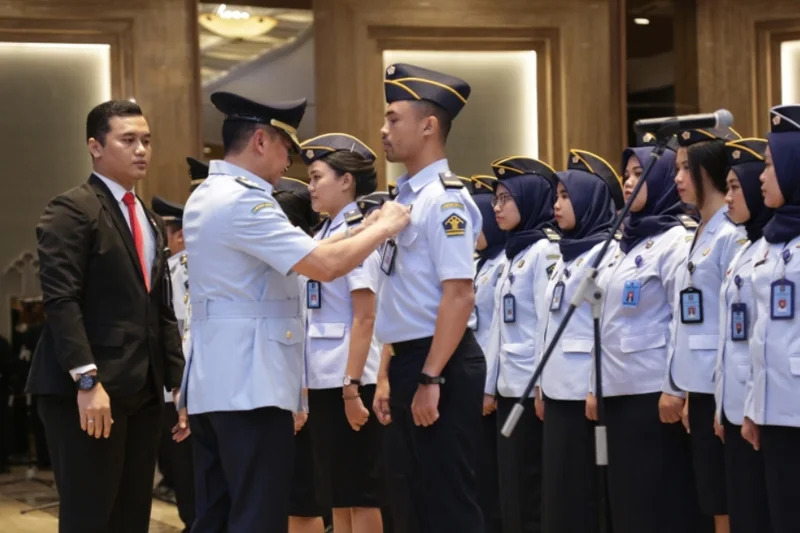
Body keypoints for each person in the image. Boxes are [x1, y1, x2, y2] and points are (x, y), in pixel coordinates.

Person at [181, 91, 410, 533]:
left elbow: (304, 252)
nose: (292, 161)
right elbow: (324, 267)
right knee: (258, 514)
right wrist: (383, 227)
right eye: (287, 146)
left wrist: (358, 228)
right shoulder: (246, 201)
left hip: (217, 381)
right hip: (252, 385)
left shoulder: (210, 194)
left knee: (218, 513)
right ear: (261, 141)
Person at [26, 100, 186, 533]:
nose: (141, 150)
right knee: (90, 515)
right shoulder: (71, 209)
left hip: (143, 391)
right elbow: (61, 300)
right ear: (95, 147)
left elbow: (160, 309)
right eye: (128, 140)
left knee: (131, 516)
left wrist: (178, 383)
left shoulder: (150, 220)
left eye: (147, 141)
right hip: (87, 390)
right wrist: (86, 379)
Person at [370, 63, 485, 533]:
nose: (383, 129)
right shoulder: (405, 197)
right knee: (408, 500)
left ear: (428, 125)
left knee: (447, 502)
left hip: (441, 362)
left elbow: (459, 295)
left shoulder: (445, 200)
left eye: (393, 118)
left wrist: (430, 378)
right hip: (411, 359)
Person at [595, 133, 707, 533]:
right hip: (619, 392)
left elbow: (683, 317)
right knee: (627, 503)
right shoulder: (625, 244)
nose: (628, 183)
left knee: (659, 501)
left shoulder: (674, 241)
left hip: (653, 393)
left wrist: (675, 387)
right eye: (625, 175)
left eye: (639, 174)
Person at [299, 133, 384, 533]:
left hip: (352, 378)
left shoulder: (356, 233)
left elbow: (365, 315)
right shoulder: (322, 236)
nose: (310, 187)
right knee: (338, 493)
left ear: (346, 180)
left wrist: (351, 386)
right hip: (323, 377)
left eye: (317, 177)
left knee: (362, 490)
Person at [663, 126, 744, 532]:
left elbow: (732, 320)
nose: (676, 178)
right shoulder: (697, 231)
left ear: (707, 173)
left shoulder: (730, 235)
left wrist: (716, 394)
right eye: (676, 168)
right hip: (696, 384)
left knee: (724, 495)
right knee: (708, 495)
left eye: (684, 168)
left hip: (719, 385)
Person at [540, 149, 622, 533]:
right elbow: (549, 326)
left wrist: (594, 387)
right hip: (556, 391)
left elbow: (605, 328)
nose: (556, 205)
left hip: (584, 396)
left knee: (586, 492)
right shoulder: (564, 256)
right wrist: (540, 383)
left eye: (566, 196)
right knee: (558, 491)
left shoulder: (606, 255)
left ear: (589, 200)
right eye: (556, 196)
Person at [486, 155, 561, 533]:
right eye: (495, 200)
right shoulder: (516, 252)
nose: (497, 208)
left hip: (530, 393)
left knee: (529, 490)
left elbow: (548, 324)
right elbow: (500, 329)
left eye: (505, 199)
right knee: (509, 489)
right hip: (507, 389)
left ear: (529, 199)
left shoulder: (544, 252)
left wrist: (543, 386)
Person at [742, 104, 800, 533]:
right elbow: (761, 333)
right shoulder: (771, 241)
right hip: (774, 412)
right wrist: (753, 407)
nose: (761, 177)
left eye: (769, 165)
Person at [712, 137, 772, 533]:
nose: (728, 198)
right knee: (744, 513)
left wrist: (750, 405)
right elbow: (727, 339)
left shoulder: (773, 248)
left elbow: (762, 340)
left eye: (735, 187)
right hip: (733, 407)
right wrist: (721, 405)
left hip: (760, 409)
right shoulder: (745, 249)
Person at [270, 177, 327, 533]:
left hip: (303, 397)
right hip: (280, 393)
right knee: (288, 497)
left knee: (304, 498)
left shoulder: (309, 266)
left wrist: (300, 401)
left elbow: (309, 333)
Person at [151, 194, 195, 532]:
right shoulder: (166, 272)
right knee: (180, 473)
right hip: (172, 390)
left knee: (200, 476)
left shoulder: (199, 271)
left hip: (200, 389)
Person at [469, 173, 505, 533]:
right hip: (473, 380)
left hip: (490, 384)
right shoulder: (480, 264)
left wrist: (489, 386)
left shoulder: (501, 264)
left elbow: (497, 331)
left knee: (492, 476)